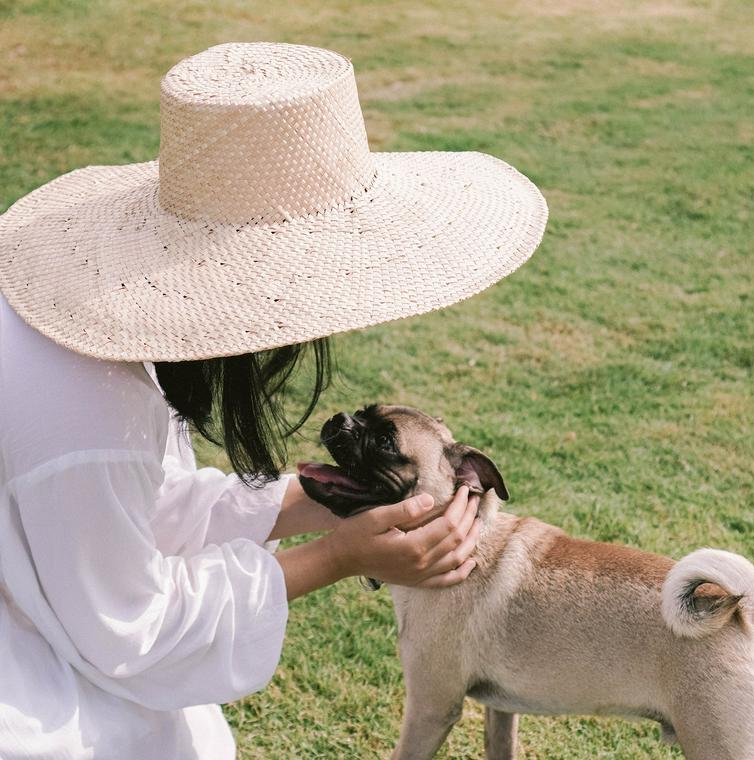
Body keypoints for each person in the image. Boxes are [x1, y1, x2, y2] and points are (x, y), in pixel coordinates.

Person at [0, 42, 547, 760]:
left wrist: (317, 500)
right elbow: (132, 631)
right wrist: (335, 557)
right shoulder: (90, 405)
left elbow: (131, 513)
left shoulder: (90, 343)